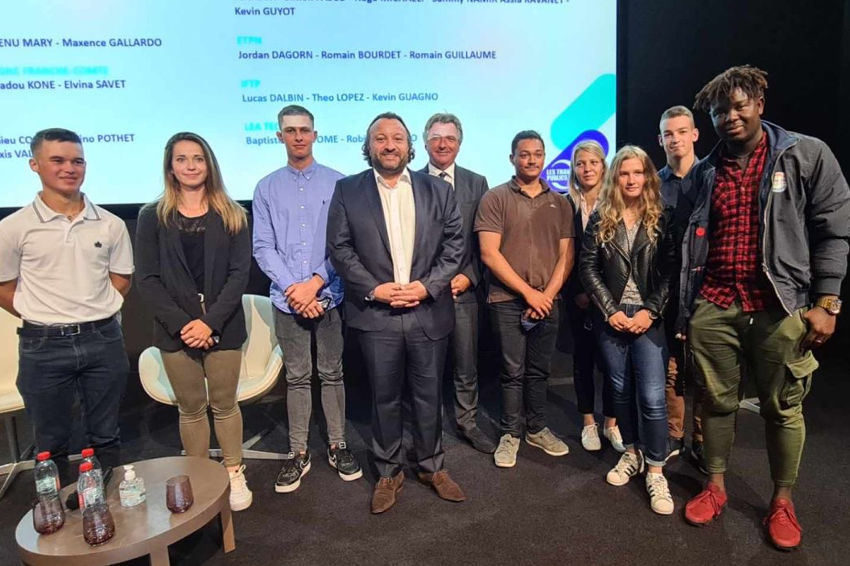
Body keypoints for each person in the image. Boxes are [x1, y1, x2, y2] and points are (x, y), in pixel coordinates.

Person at [678, 65, 850, 550]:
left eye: (738, 106)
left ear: (759, 104)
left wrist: (828, 302)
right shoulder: (706, 170)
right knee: (716, 402)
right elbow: (690, 241)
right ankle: (715, 486)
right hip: (715, 303)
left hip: (779, 306)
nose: (730, 117)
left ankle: (782, 501)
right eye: (719, 111)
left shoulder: (805, 154)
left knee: (783, 408)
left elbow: (834, 230)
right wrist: (689, 309)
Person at [327, 112, 466, 514]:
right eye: (381, 138)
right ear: (368, 146)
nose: (389, 145)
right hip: (377, 314)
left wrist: (427, 286)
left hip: (427, 310)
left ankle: (431, 466)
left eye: (397, 138)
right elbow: (340, 249)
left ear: (410, 146)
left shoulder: (437, 190)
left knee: (429, 396)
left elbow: (454, 245)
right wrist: (375, 289)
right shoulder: (347, 190)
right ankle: (388, 471)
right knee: (384, 398)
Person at [0, 128, 133, 484]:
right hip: (42, 345)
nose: (69, 169)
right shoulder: (13, 228)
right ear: (34, 165)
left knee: (106, 435)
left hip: (102, 339)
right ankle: (54, 508)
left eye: (77, 161)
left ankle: (104, 504)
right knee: (50, 443)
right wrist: (43, 313)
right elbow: (4, 287)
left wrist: (93, 310)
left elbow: (121, 278)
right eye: (57, 160)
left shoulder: (111, 224)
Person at [135, 132, 253, 511]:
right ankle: (200, 477)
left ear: (209, 164)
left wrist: (209, 323)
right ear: (170, 167)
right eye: (182, 159)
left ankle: (233, 471)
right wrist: (185, 324)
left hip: (224, 325)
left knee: (224, 404)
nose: (191, 166)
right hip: (176, 330)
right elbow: (147, 279)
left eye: (198, 159)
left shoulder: (233, 214)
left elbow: (239, 275)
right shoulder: (152, 217)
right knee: (191, 408)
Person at [253, 105, 362, 493]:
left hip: (328, 294)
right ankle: (298, 452)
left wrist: (314, 284)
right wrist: (294, 290)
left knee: (332, 373)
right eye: (290, 130)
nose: (298, 136)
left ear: (315, 135)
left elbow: (344, 244)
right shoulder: (265, 188)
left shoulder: (340, 183)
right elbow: (263, 247)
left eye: (304, 130)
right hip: (288, 300)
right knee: (297, 377)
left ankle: (337, 445)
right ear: (279, 136)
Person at [580, 145, 676, 515]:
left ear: (648, 176)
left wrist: (650, 311)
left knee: (652, 397)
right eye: (624, 173)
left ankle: (656, 469)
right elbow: (588, 267)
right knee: (619, 391)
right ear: (615, 177)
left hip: (649, 318)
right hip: (613, 318)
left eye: (638, 172)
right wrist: (609, 310)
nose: (631, 179)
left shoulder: (664, 215)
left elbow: (671, 271)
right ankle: (633, 453)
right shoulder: (601, 215)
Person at [475, 130, 574, 469]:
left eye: (537, 154)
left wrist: (546, 295)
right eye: (524, 154)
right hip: (507, 300)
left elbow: (567, 256)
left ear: (544, 157)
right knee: (511, 371)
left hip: (548, 300)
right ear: (512, 158)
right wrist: (529, 293)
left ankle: (536, 428)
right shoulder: (495, 198)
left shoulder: (560, 202)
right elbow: (489, 254)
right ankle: (510, 433)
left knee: (539, 370)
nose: (531, 160)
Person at [419, 112, 495, 454]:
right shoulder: (409, 182)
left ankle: (467, 423)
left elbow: (486, 240)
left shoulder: (477, 183)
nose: (443, 144)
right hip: (424, 293)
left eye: (449, 138)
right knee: (426, 368)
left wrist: (469, 276)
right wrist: (428, 283)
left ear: (459, 144)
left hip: (464, 290)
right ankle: (427, 429)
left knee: (466, 365)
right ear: (425, 143)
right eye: (436, 137)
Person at [563, 140, 623, 453]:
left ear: (603, 166)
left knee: (612, 363)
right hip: (577, 297)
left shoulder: (617, 201)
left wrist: (603, 295)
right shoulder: (565, 204)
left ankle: (611, 422)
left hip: (612, 298)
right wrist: (578, 292)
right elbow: (563, 255)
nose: (586, 169)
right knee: (583, 360)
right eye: (580, 163)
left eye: (593, 162)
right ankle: (588, 422)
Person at [657, 105, 704, 468]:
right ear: (660, 140)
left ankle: (702, 440)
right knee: (671, 366)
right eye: (668, 134)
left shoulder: (712, 178)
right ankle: (674, 435)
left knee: (704, 369)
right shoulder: (653, 185)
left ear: (695, 134)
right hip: (666, 287)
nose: (675, 139)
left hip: (706, 288)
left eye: (681, 131)